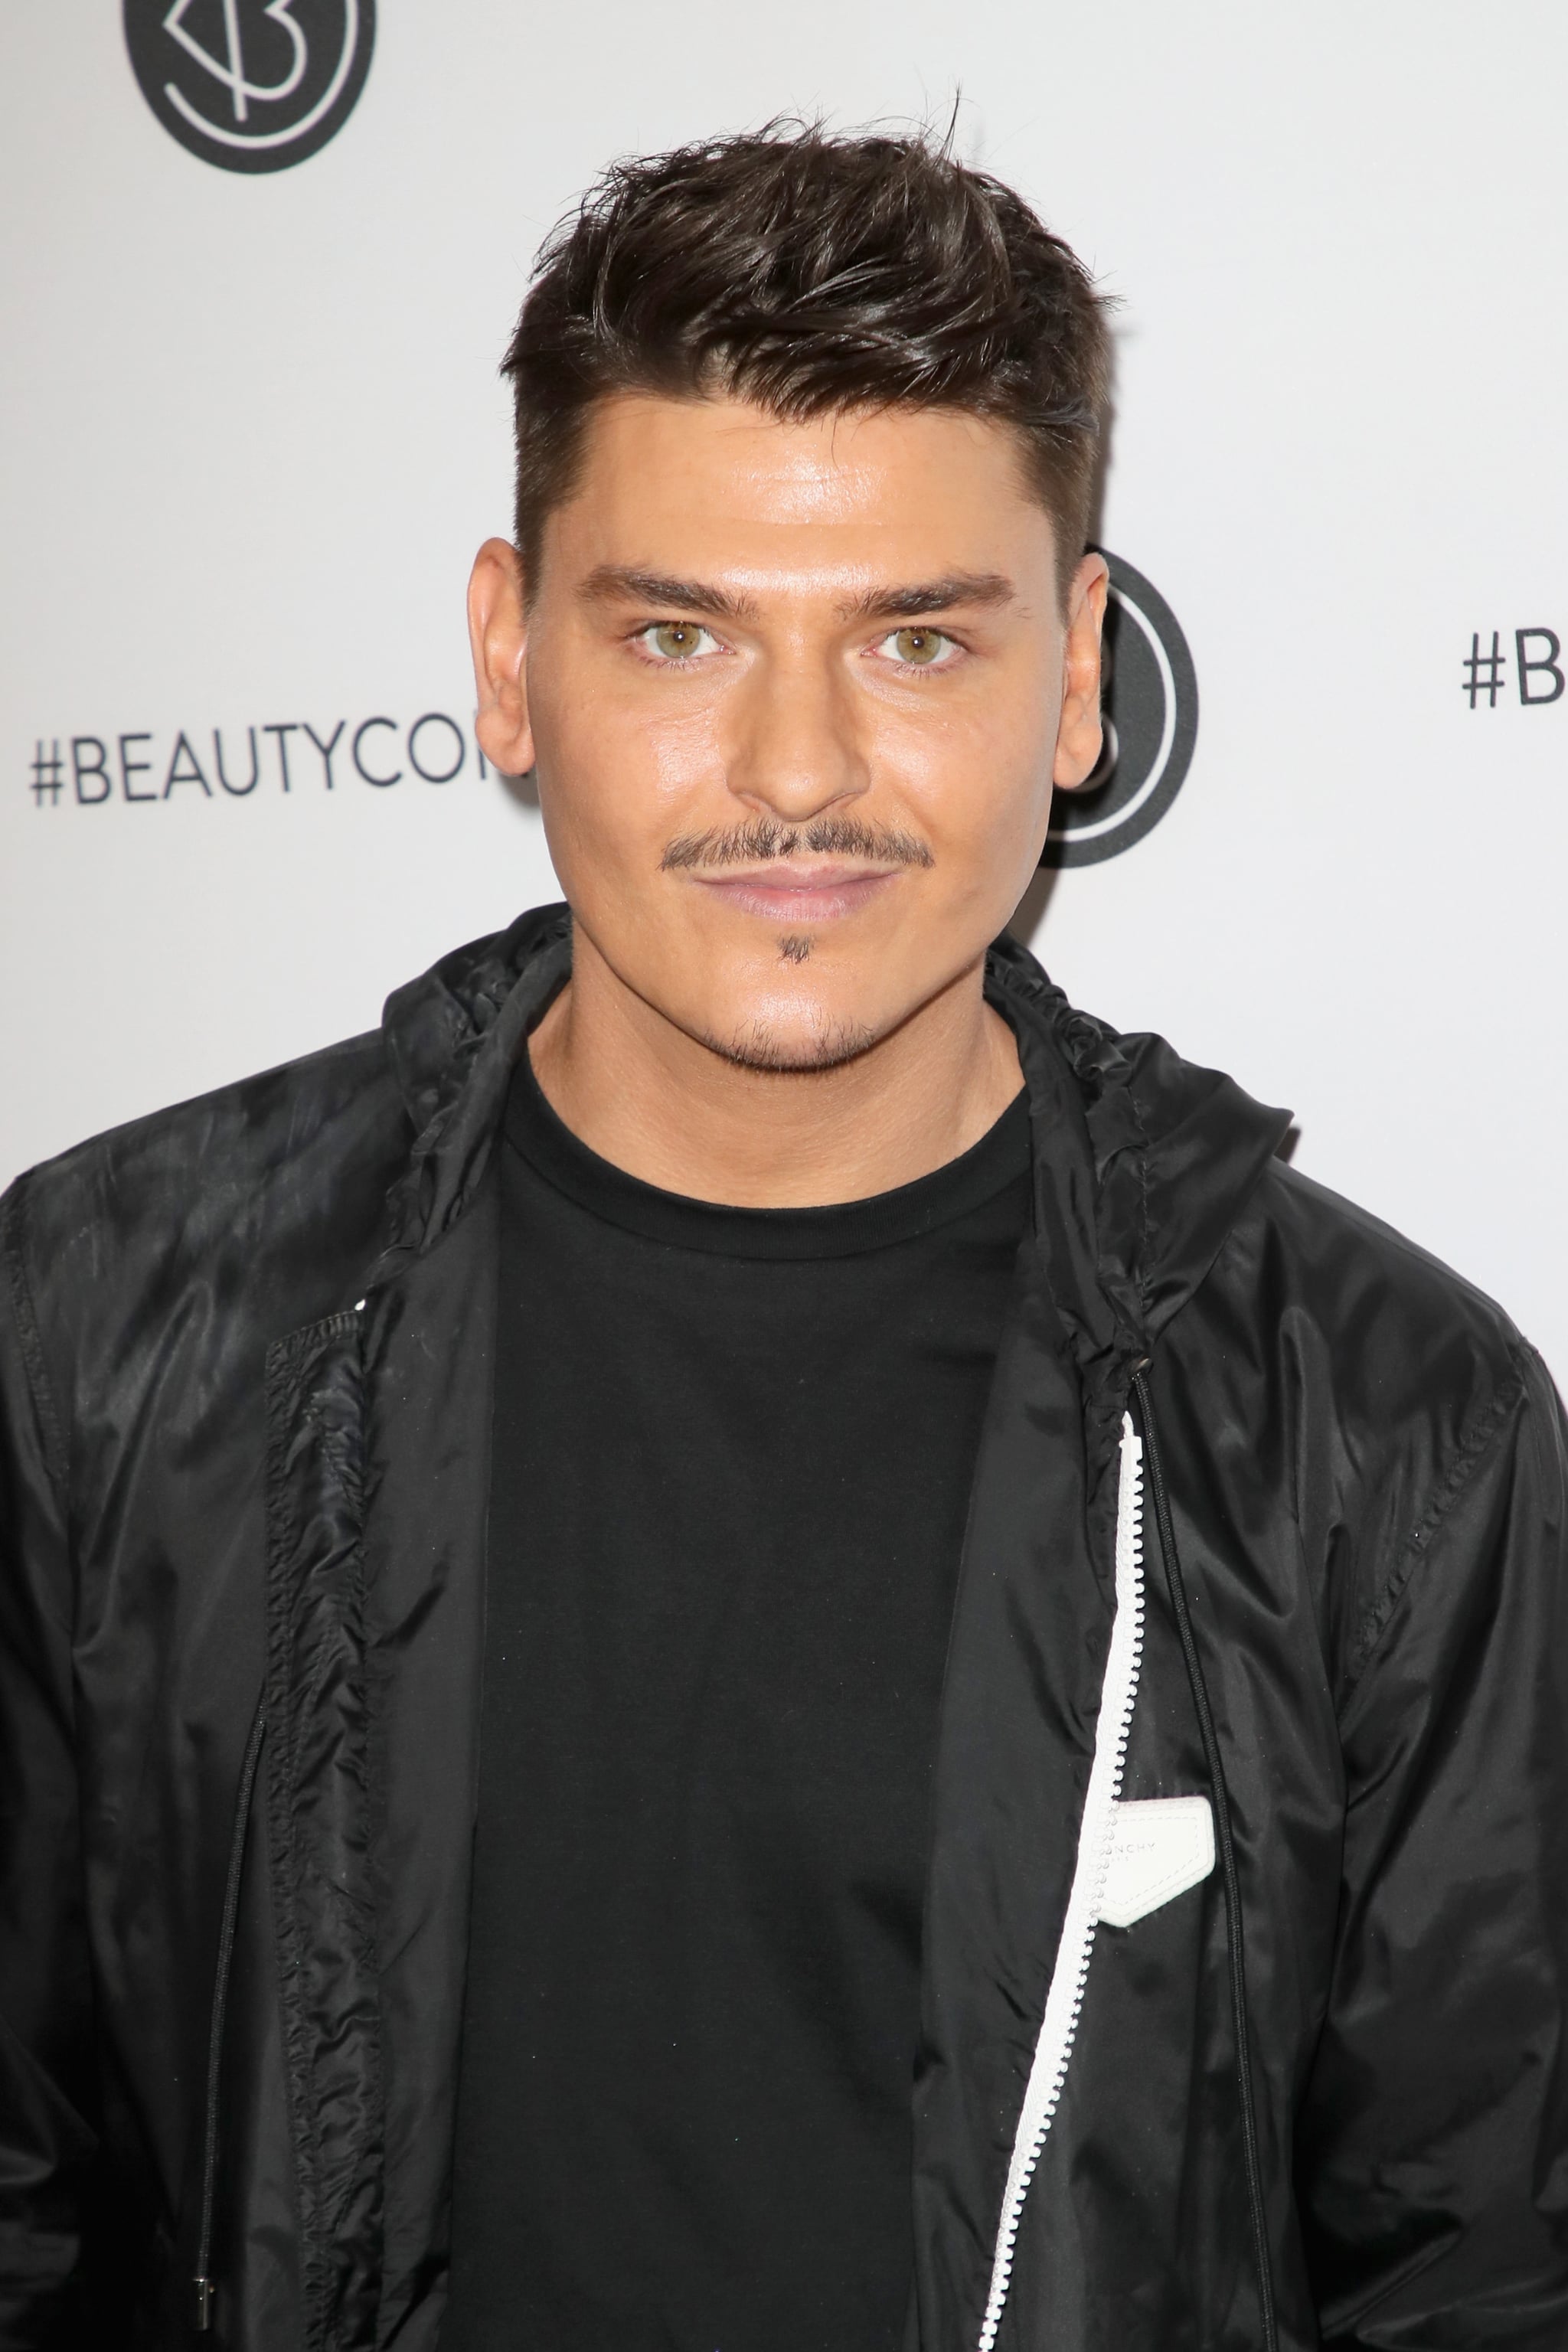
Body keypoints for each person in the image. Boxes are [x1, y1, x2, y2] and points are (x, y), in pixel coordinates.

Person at [2, 123, 1565, 2352]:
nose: (799, 768)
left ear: (1078, 673)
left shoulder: (1388, 1429)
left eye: (917, 640)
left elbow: (1484, 2271)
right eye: (677, 633)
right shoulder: (102, 1330)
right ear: (510, 656)